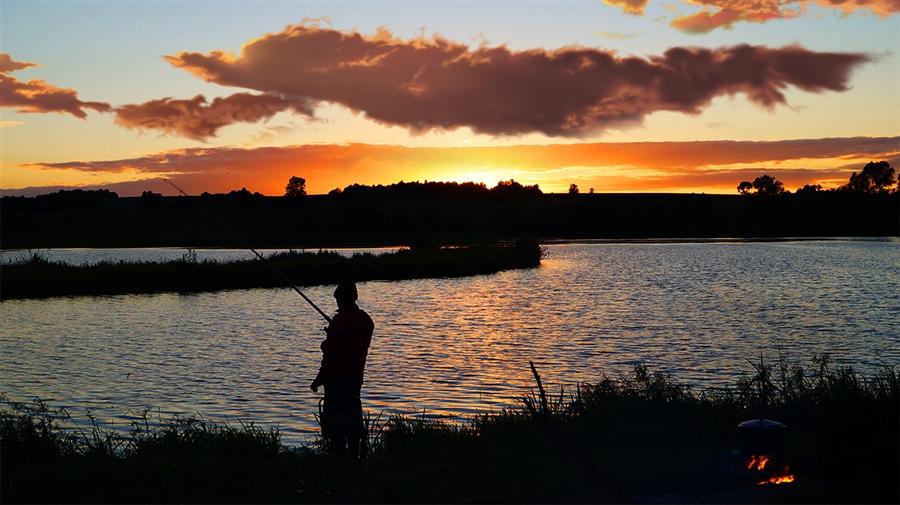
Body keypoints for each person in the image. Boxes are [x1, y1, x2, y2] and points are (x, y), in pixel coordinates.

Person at [310, 281, 374, 459]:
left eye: (338, 299)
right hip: (355, 378)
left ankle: (339, 461)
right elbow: (351, 342)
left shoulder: (339, 323)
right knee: (353, 422)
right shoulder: (366, 320)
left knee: (336, 427)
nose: (336, 303)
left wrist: (318, 380)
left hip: (336, 381)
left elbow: (330, 357)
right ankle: (355, 458)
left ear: (341, 299)